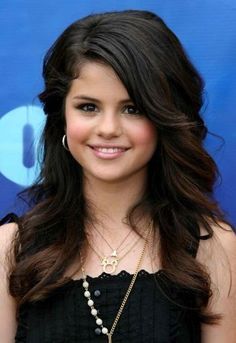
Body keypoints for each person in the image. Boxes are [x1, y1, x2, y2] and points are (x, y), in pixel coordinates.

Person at [0, 9, 236, 343]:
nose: (108, 129)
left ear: (164, 118)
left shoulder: (213, 248)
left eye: (132, 108)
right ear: (61, 117)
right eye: (88, 107)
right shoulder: (10, 249)